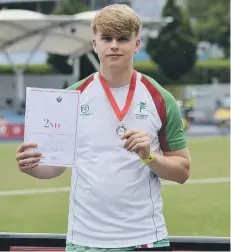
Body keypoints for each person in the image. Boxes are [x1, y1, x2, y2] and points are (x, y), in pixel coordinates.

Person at [15, 4, 191, 252]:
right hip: (85, 241)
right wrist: (31, 165)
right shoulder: (71, 97)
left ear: (137, 44)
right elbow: (54, 167)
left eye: (123, 38)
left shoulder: (160, 98)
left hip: (144, 238)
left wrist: (149, 156)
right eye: (107, 38)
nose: (114, 45)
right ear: (94, 44)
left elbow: (182, 172)